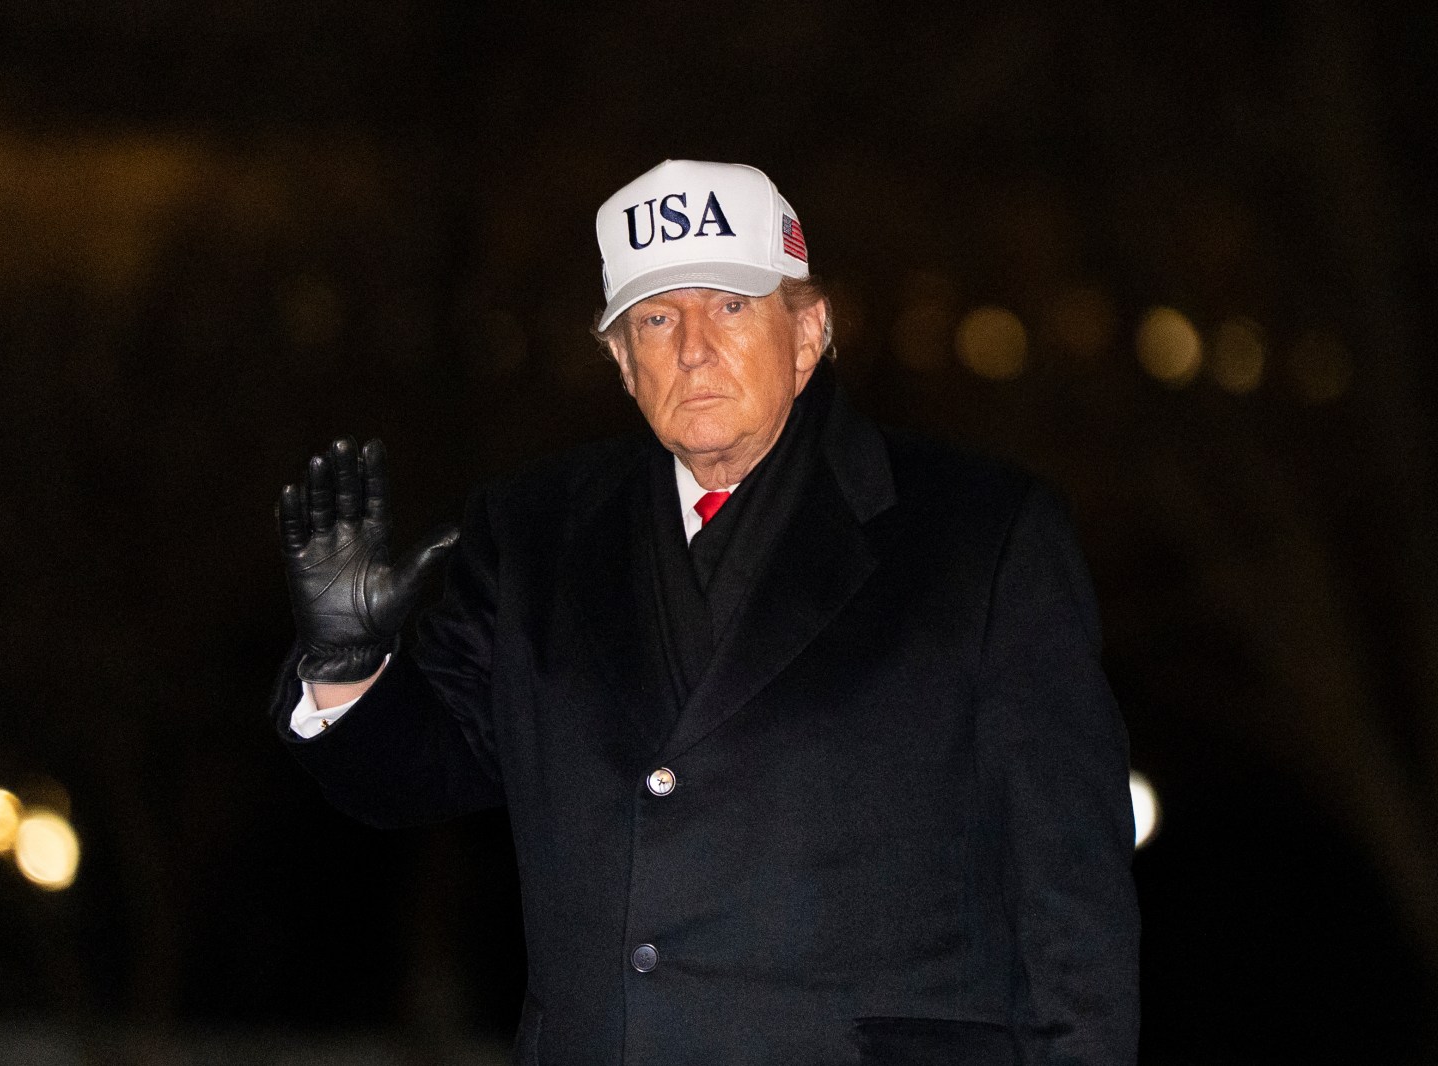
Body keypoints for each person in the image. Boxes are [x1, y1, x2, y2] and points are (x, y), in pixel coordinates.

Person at [271, 159, 1139, 1065]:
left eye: (729, 305)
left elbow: (1071, 893)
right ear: (620, 361)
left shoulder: (981, 534)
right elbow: (413, 776)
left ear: (808, 333)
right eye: (656, 318)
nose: (692, 347)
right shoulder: (535, 533)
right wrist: (346, 664)